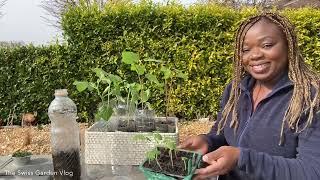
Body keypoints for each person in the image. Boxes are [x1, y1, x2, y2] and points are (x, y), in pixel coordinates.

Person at [179, 12, 320, 180]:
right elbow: (223, 132)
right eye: (246, 49)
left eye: (267, 45)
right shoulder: (235, 90)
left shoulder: (310, 98)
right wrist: (207, 141)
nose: (255, 55)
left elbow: (312, 172)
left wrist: (242, 159)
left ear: (289, 46)